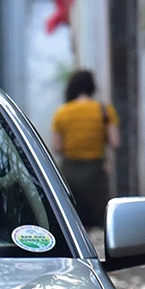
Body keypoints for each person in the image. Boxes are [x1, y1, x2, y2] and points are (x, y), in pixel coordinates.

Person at [50, 68, 118, 230]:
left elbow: (57, 147)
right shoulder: (104, 111)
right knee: (99, 223)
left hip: (69, 172)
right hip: (95, 173)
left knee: (75, 221)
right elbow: (115, 142)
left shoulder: (62, 113)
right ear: (92, 88)